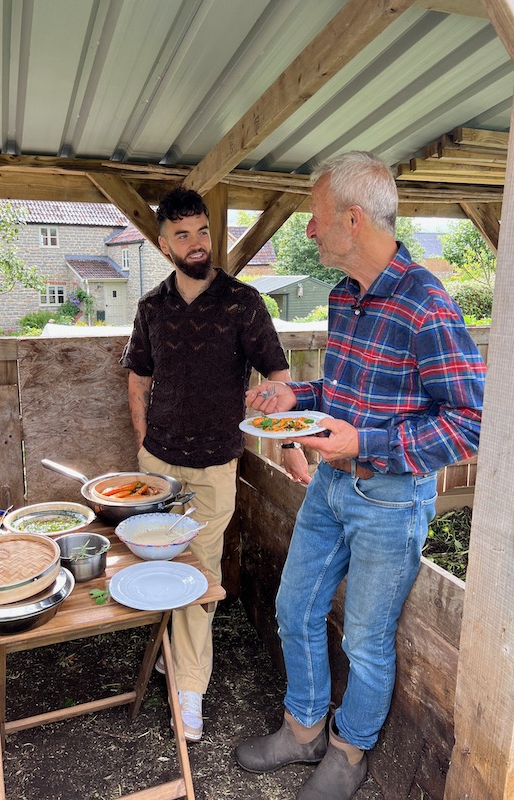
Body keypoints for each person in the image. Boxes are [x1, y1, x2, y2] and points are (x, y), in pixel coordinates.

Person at [235, 151, 486, 800]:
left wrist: (365, 441)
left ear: (351, 218)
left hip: (391, 499)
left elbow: (469, 424)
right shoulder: (344, 297)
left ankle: (348, 753)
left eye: (317, 219)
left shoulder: (427, 305)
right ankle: (304, 728)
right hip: (330, 486)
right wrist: (302, 398)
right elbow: (348, 391)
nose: (311, 231)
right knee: (295, 606)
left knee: (369, 643)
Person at [120, 186, 291, 742]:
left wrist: (282, 435)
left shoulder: (243, 303)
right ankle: (174, 657)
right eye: (182, 235)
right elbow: (138, 376)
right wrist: (144, 438)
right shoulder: (151, 308)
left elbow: (279, 377)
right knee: (156, 567)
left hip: (217, 465)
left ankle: (189, 689)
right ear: (164, 244)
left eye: (202, 232)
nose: (196, 244)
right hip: (158, 467)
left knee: (202, 573)